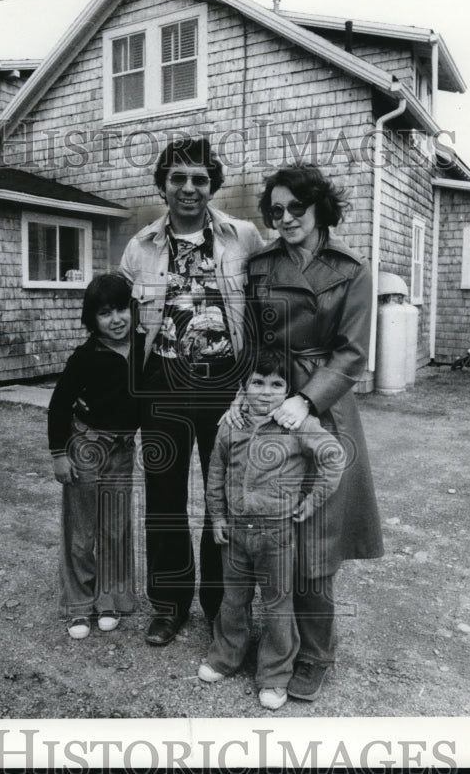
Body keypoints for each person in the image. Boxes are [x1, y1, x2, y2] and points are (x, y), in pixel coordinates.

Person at [244, 163, 384, 701]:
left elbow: (352, 354)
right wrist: (257, 400)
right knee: (275, 528)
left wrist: (306, 401)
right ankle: (278, 642)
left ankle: (317, 653)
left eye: (295, 208)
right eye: (275, 211)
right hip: (273, 403)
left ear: (319, 208)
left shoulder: (352, 270)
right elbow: (253, 341)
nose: (284, 219)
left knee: (318, 536)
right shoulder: (261, 267)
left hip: (325, 409)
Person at [119, 137, 264, 646]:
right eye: (177, 178)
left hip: (224, 388)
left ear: (212, 184)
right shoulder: (139, 248)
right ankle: (169, 605)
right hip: (161, 388)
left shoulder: (243, 237)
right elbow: (125, 332)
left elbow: (266, 307)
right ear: (162, 184)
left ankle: (221, 607)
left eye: (199, 178)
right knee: (164, 499)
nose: (188, 188)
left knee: (222, 497)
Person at [197, 349, 345, 711]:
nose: (265, 392)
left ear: (289, 391)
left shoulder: (297, 425)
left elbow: (333, 457)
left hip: (277, 534)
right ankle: (225, 656)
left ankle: (275, 674)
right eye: (257, 383)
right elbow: (215, 472)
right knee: (233, 600)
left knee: (278, 604)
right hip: (234, 532)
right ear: (243, 388)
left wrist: (310, 502)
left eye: (277, 384)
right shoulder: (231, 424)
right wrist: (217, 516)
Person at [48, 273, 145, 639]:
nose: (116, 319)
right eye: (105, 313)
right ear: (92, 319)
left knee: (116, 529)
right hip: (85, 447)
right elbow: (58, 406)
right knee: (81, 530)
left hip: (122, 451)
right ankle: (77, 605)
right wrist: (60, 454)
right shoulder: (85, 357)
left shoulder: (143, 347)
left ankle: (110, 599)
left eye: (122, 309)